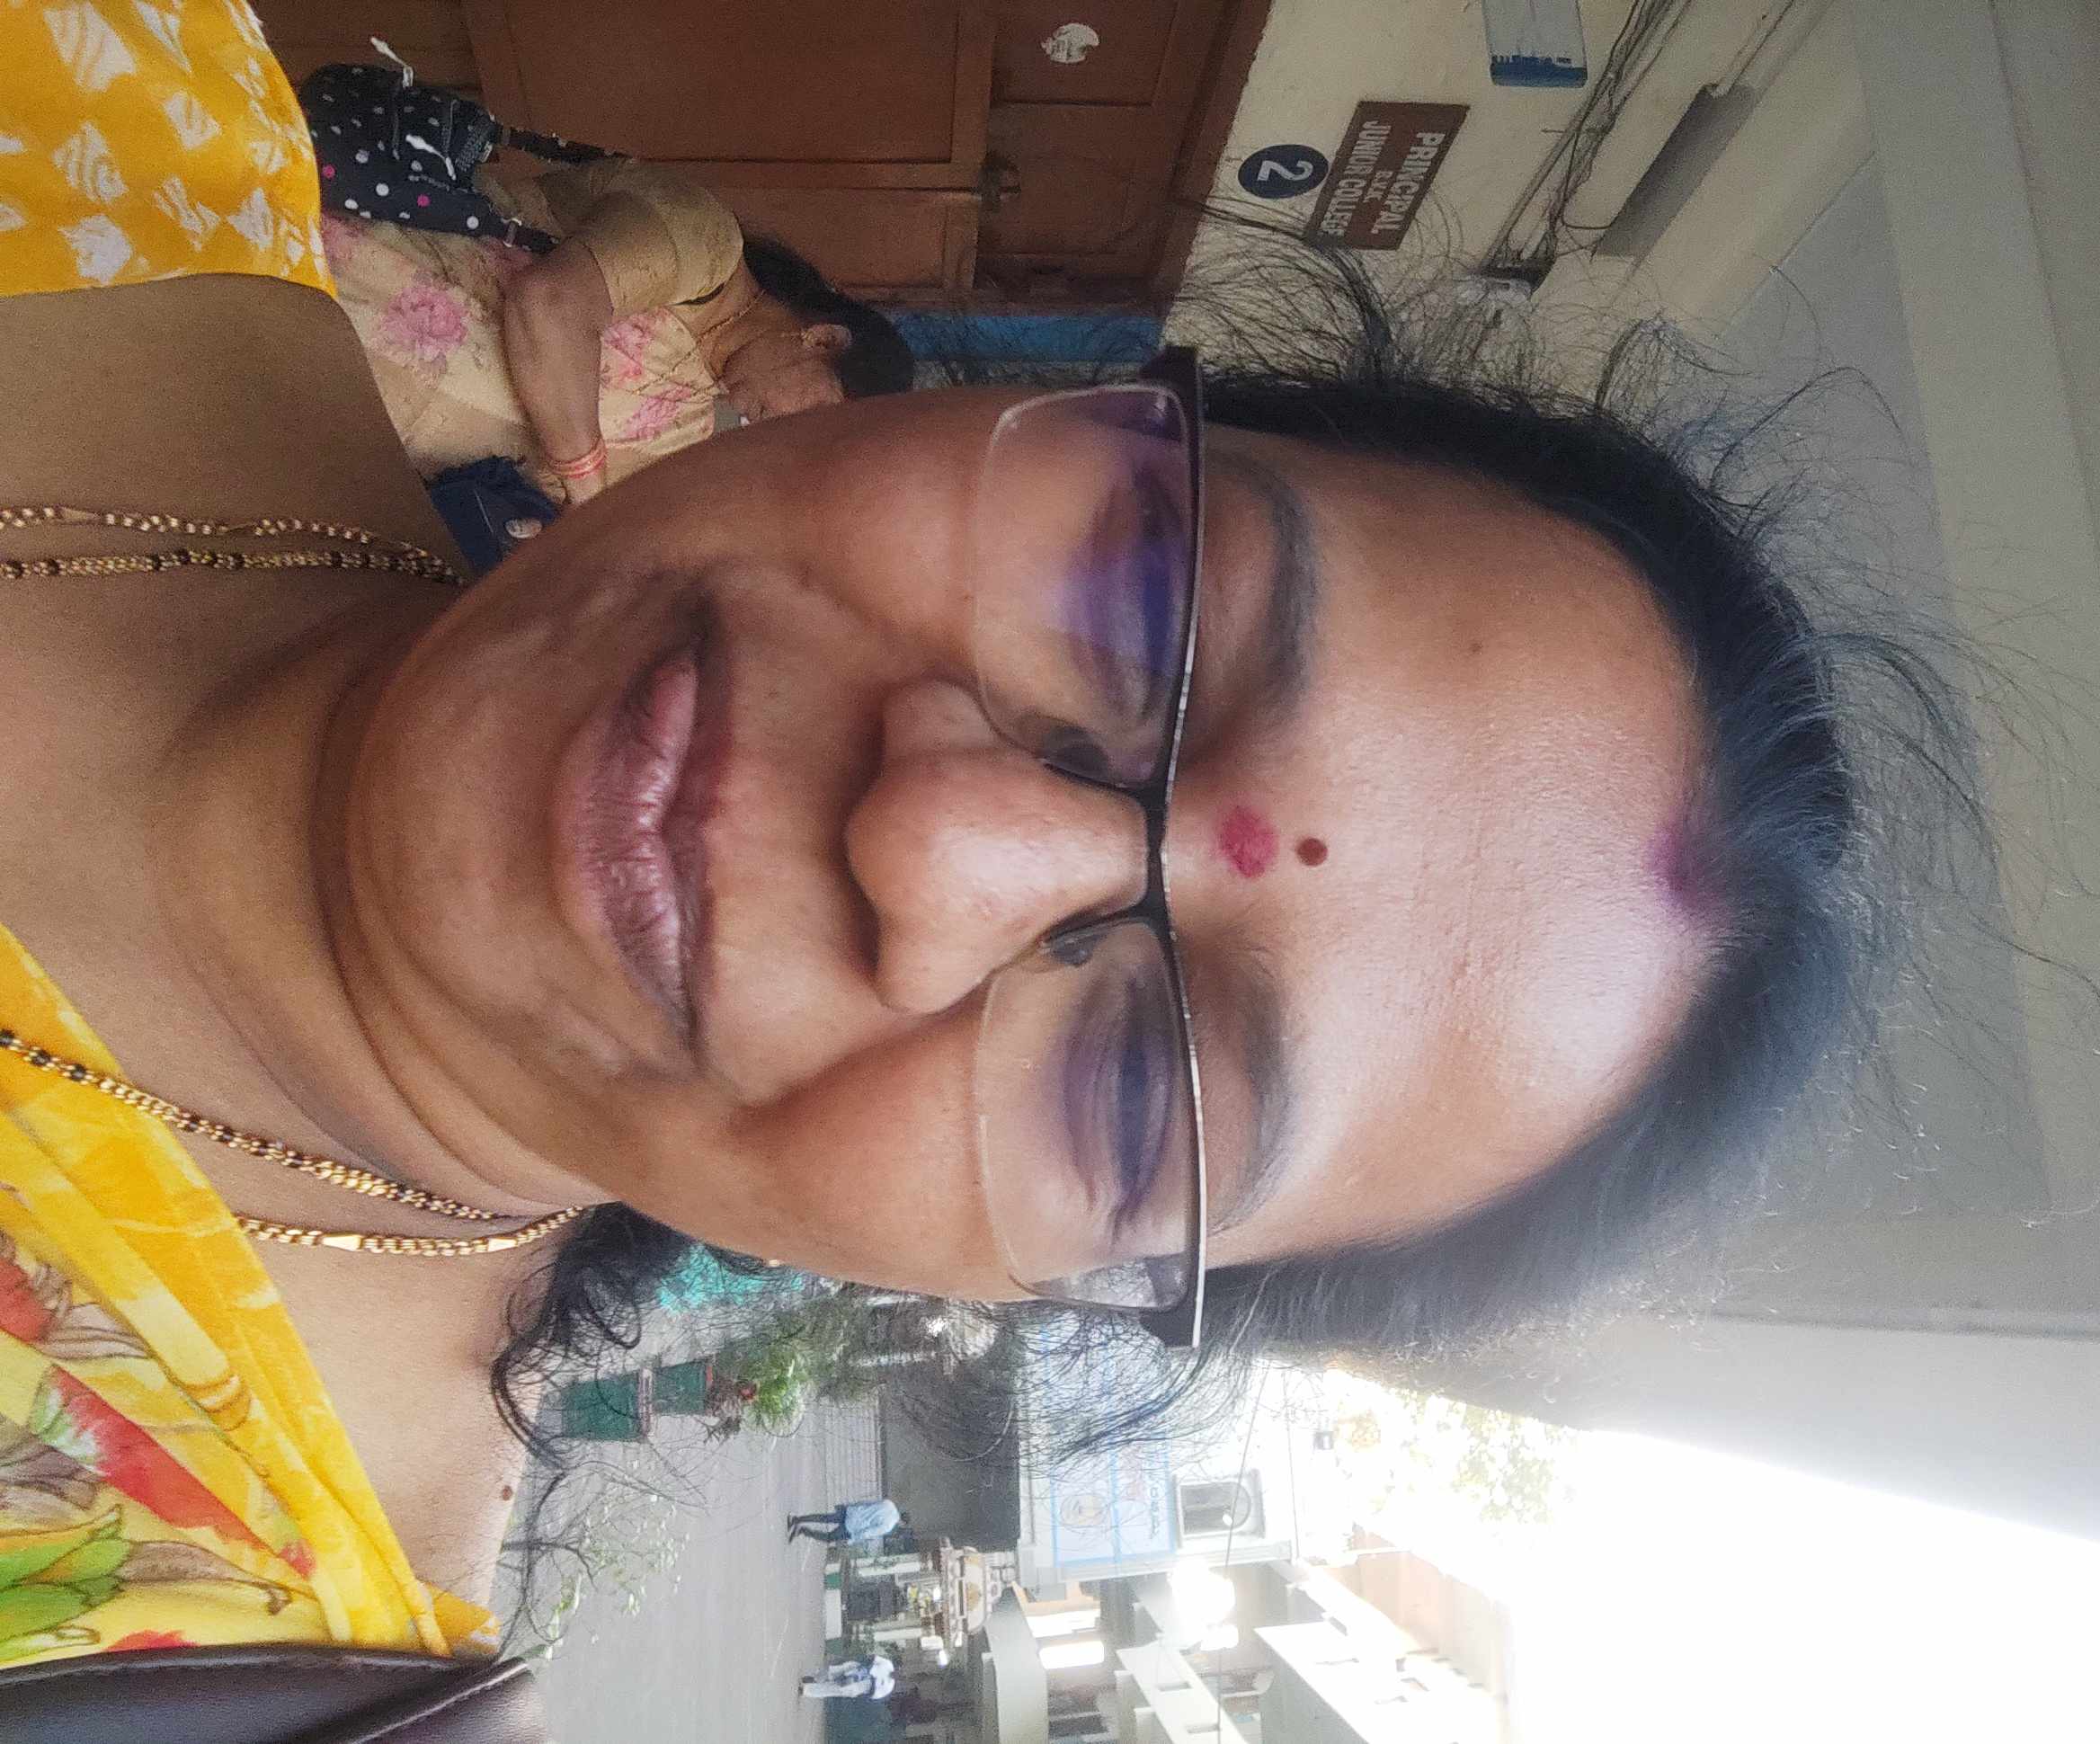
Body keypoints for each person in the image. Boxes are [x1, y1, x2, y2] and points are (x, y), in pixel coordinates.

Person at [0, 0, 1975, 1678]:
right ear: (1062, 399)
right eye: (1142, 599)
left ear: (1003, 1293)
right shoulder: (131, 87)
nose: (942, 844)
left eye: (1130, 1093)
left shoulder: (175, 1640)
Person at [309, 126, 913, 502]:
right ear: (823, 340)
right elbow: (551, 304)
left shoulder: (684, 432)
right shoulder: (705, 247)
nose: (783, 435)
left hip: (318, 416)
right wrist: (587, 493)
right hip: (328, 270)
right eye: (817, 415)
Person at [788, 1498, 902, 1549]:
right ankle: (802, 1531)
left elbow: (866, 1502)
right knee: (828, 1538)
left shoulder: (889, 1503)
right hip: (852, 1528)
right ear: (903, 1523)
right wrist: (852, 1540)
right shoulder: (889, 1525)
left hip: (852, 1512)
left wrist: (849, 1505)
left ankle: (796, 1519)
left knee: (824, 1518)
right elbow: (869, 1532)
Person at [801, 1651, 895, 1700]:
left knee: (835, 1689)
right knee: (835, 1670)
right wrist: (865, 1667)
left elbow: (874, 1696)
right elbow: (873, 1658)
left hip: (864, 1685)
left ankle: (806, 1690)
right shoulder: (888, 1665)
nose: (899, 1674)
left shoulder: (888, 1687)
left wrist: (869, 1683)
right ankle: (816, 1679)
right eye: (901, 1671)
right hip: (861, 1669)